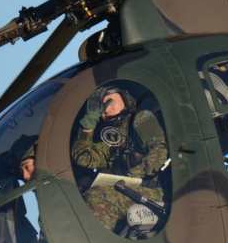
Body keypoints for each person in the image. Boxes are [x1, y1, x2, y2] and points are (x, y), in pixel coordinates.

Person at [71, 84, 168, 231]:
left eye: (110, 102)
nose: (106, 109)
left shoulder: (141, 119)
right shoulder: (112, 139)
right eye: (101, 107)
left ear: (126, 99)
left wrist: (133, 175)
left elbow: (161, 150)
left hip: (157, 191)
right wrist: (89, 122)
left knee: (99, 196)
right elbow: (83, 158)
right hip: (131, 192)